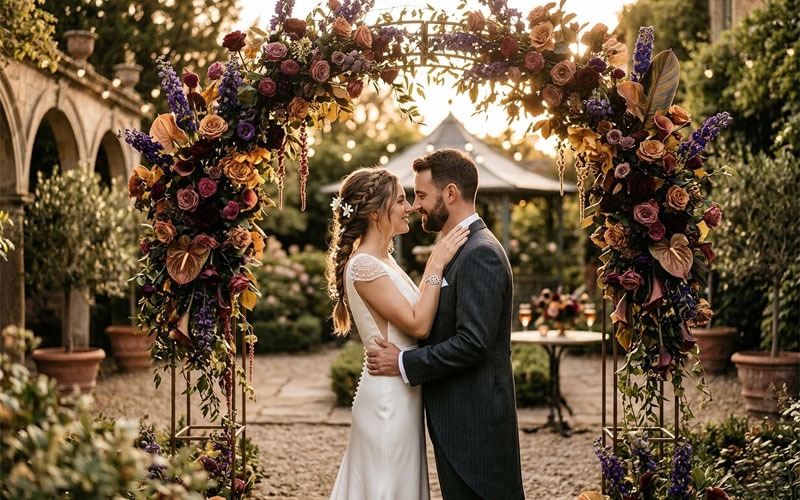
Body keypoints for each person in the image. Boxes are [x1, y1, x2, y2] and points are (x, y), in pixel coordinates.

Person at [366, 149, 525, 500]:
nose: (416, 206)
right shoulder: (458, 248)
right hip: (459, 422)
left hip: (475, 425)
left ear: (450, 193)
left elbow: (473, 343)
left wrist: (403, 362)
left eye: (422, 195)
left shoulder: (480, 252)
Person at [326, 166, 469, 500]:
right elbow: (418, 324)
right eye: (401, 200)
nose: (411, 207)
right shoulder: (364, 265)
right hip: (387, 400)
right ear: (376, 212)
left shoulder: (383, 260)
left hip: (401, 390)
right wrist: (436, 264)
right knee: (387, 486)